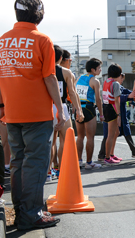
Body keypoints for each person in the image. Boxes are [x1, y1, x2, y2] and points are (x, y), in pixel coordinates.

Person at [0, 0, 62, 229]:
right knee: (35, 164)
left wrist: (1, 107)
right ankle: (31, 215)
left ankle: (21, 211)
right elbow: (50, 77)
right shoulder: (42, 40)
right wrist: (60, 109)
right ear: (39, 14)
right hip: (37, 114)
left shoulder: (1, 41)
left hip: (11, 113)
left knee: (17, 162)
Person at [50, 45, 85, 178]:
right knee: (65, 139)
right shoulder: (66, 72)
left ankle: (49, 171)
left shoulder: (42, 71)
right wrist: (79, 110)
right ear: (60, 58)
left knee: (51, 141)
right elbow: (72, 92)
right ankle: (61, 169)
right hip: (62, 106)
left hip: (47, 107)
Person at [76, 58, 104, 167]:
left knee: (80, 136)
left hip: (79, 108)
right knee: (90, 137)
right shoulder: (95, 81)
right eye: (99, 68)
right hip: (89, 108)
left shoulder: (79, 78)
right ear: (93, 69)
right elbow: (98, 99)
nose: (100, 70)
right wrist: (101, 114)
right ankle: (89, 162)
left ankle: (78, 161)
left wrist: (75, 108)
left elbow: (75, 94)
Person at [102, 63, 123, 164]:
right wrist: (119, 115)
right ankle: (107, 157)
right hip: (112, 108)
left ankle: (111, 154)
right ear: (119, 74)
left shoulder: (106, 81)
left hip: (106, 107)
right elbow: (117, 100)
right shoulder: (116, 84)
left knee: (116, 133)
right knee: (111, 134)